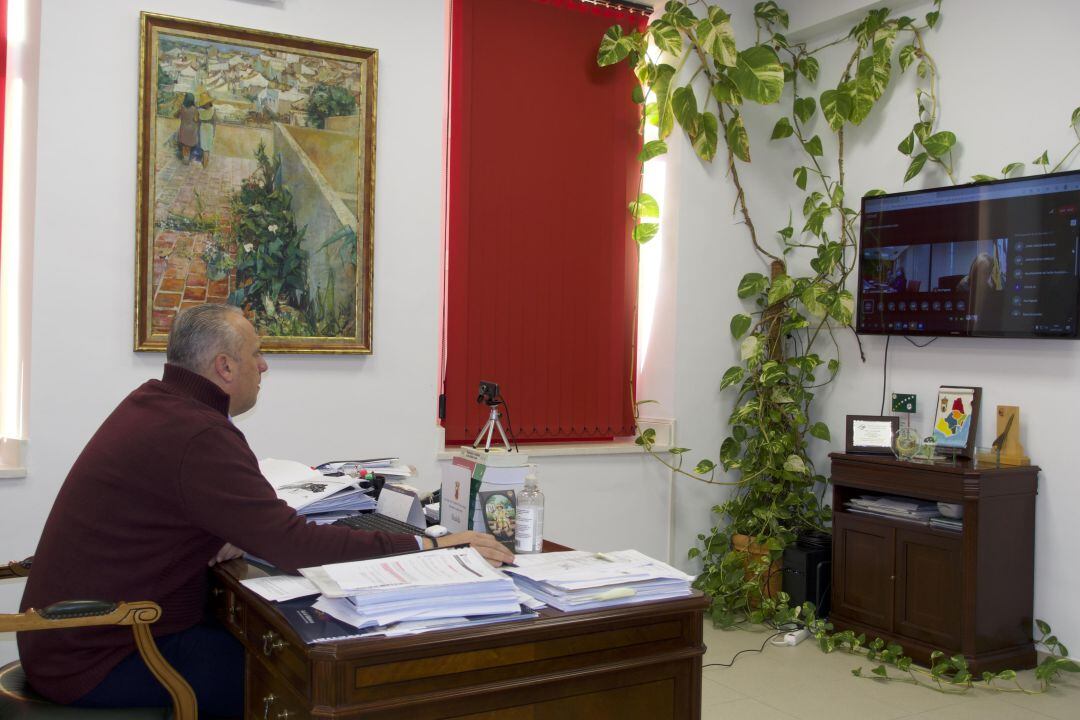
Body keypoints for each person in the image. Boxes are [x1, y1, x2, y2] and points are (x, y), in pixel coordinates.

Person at [18, 304, 513, 716]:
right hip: (102, 656)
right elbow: (294, 545)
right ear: (224, 367)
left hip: (78, 639)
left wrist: (224, 529)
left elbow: (176, 510)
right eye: (256, 353)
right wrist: (429, 544)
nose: (265, 365)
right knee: (293, 675)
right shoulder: (199, 434)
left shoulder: (155, 403)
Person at [176, 92, 198, 165]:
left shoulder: (182, 107)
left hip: (184, 128)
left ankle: (185, 159)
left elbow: (176, 116)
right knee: (188, 144)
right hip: (192, 129)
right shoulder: (195, 109)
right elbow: (196, 120)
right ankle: (187, 158)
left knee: (184, 144)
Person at [196, 89, 215, 169]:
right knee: (208, 146)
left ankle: (204, 164)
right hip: (210, 127)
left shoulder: (199, 110)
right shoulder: (213, 109)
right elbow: (214, 120)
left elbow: (196, 120)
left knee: (204, 147)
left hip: (203, 127)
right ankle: (206, 163)